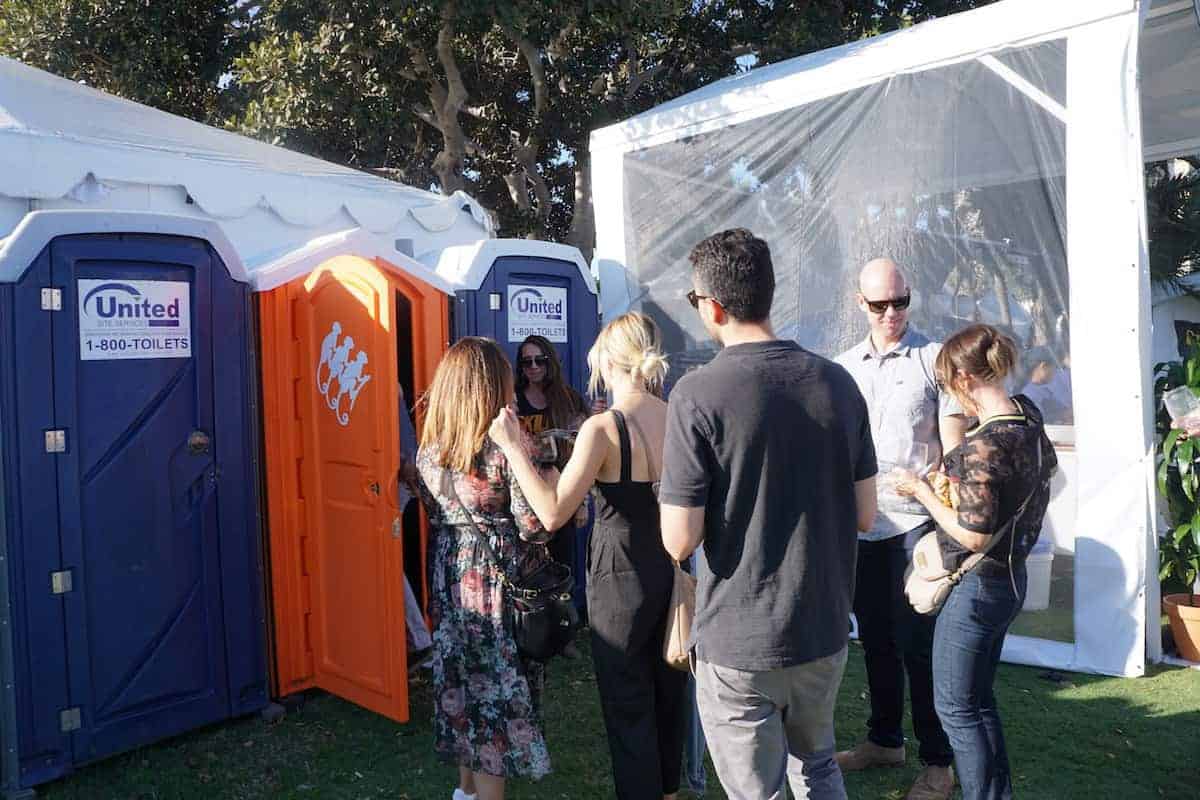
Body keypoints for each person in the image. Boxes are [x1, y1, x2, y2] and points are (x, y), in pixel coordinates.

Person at [659, 228, 878, 800]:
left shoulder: (697, 393)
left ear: (711, 305)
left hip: (741, 639)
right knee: (817, 765)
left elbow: (678, 540)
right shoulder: (840, 384)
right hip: (823, 625)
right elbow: (866, 513)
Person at [490, 312, 688, 800]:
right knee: (669, 688)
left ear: (610, 361)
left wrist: (514, 448)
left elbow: (553, 514)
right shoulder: (677, 415)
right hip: (672, 564)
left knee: (627, 700)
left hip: (619, 574)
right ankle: (667, 790)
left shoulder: (604, 427)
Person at [894, 324, 1056, 800]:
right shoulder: (1027, 417)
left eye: (947, 385)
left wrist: (923, 490)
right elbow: (1036, 481)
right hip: (1010, 577)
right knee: (978, 703)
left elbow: (972, 532)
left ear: (964, 380)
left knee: (957, 709)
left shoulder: (984, 445)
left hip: (978, 586)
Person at [833, 258, 965, 800]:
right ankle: (885, 740)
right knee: (876, 642)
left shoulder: (936, 360)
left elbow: (956, 447)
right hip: (862, 526)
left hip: (918, 527)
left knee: (920, 645)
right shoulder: (841, 369)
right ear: (860, 304)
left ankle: (940, 762)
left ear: (911, 297)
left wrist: (946, 501)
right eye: (880, 304)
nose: (892, 314)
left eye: (901, 302)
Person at [413, 337, 555, 800]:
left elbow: (431, 508)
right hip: (495, 589)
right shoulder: (505, 450)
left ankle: (465, 794)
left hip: (451, 579)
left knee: (462, 696)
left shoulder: (431, 450)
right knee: (494, 704)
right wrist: (551, 480)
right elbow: (535, 527)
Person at [515, 335, 591, 624]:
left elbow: (582, 454)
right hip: (524, 493)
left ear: (550, 362)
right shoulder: (514, 399)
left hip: (563, 492)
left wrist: (582, 502)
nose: (533, 367)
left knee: (562, 561)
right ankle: (533, 622)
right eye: (526, 362)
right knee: (529, 562)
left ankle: (564, 624)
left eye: (539, 360)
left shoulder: (568, 399)